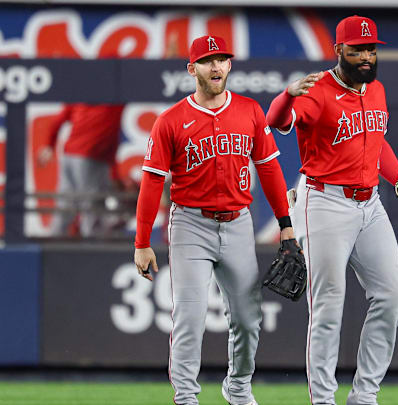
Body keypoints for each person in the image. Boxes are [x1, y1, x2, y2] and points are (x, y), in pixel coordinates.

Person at [133, 35, 296, 405]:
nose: (217, 66)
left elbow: (269, 170)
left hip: (238, 224)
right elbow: (152, 182)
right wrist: (142, 242)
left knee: (247, 318)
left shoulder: (250, 111)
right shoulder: (170, 121)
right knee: (189, 318)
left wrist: (285, 223)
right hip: (191, 224)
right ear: (192, 69)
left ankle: (238, 387)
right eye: (208, 61)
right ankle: (187, 398)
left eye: (222, 59)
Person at [266, 15, 398, 405]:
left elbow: (378, 146)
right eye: (357, 48)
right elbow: (275, 120)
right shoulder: (317, 90)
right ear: (338, 50)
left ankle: (364, 395)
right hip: (324, 202)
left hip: (370, 204)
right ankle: (323, 400)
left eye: (371, 49)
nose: (366, 56)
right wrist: (288, 95)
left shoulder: (375, 90)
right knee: (329, 305)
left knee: (392, 296)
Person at [37, 103, 124, 236]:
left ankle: (54, 241)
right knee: (91, 205)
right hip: (89, 156)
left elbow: (57, 120)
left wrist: (50, 145)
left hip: (70, 155)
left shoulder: (81, 94)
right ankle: (92, 249)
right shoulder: (114, 99)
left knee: (66, 204)